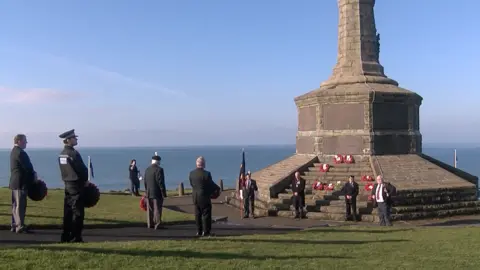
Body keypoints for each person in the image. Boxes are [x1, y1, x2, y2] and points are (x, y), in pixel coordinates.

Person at [57, 129, 89, 243]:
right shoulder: (73, 153)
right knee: (78, 212)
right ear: (68, 140)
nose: (76, 139)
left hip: (67, 185)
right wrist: (85, 180)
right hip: (76, 185)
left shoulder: (62, 154)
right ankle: (76, 237)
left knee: (68, 212)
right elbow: (81, 169)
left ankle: (66, 235)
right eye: (74, 138)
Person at [9, 134, 36, 233]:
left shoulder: (13, 151)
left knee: (15, 205)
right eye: (25, 141)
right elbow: (28, 168)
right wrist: (34, 176)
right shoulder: (21, 153)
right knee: (20, 205)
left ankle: (14, 224)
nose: (26, 143)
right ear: (19, 141)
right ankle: (20, 226)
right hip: (21, 182)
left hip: (15, 182)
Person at [189, 156, 220, 237]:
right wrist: (217, 189)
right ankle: (206, 232)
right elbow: (211, 185)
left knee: (197, 215)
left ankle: (199, 231)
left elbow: (192, 184)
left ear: (196, 164)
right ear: (203, 164)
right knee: (206, 214)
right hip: (204, 197)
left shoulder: (191, 173)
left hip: (195, 197)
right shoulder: (207, 174)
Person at [143, 155, 167, 229]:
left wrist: (146, 191)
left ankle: (150, 224)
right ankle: (158, 224)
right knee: (157, 209)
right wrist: (163, 193)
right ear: (158, 161)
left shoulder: (147, 169)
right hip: (157, 193)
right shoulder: (159, 170)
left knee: (150, 209)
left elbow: (145, 182)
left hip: (149, 192)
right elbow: (161, 182)